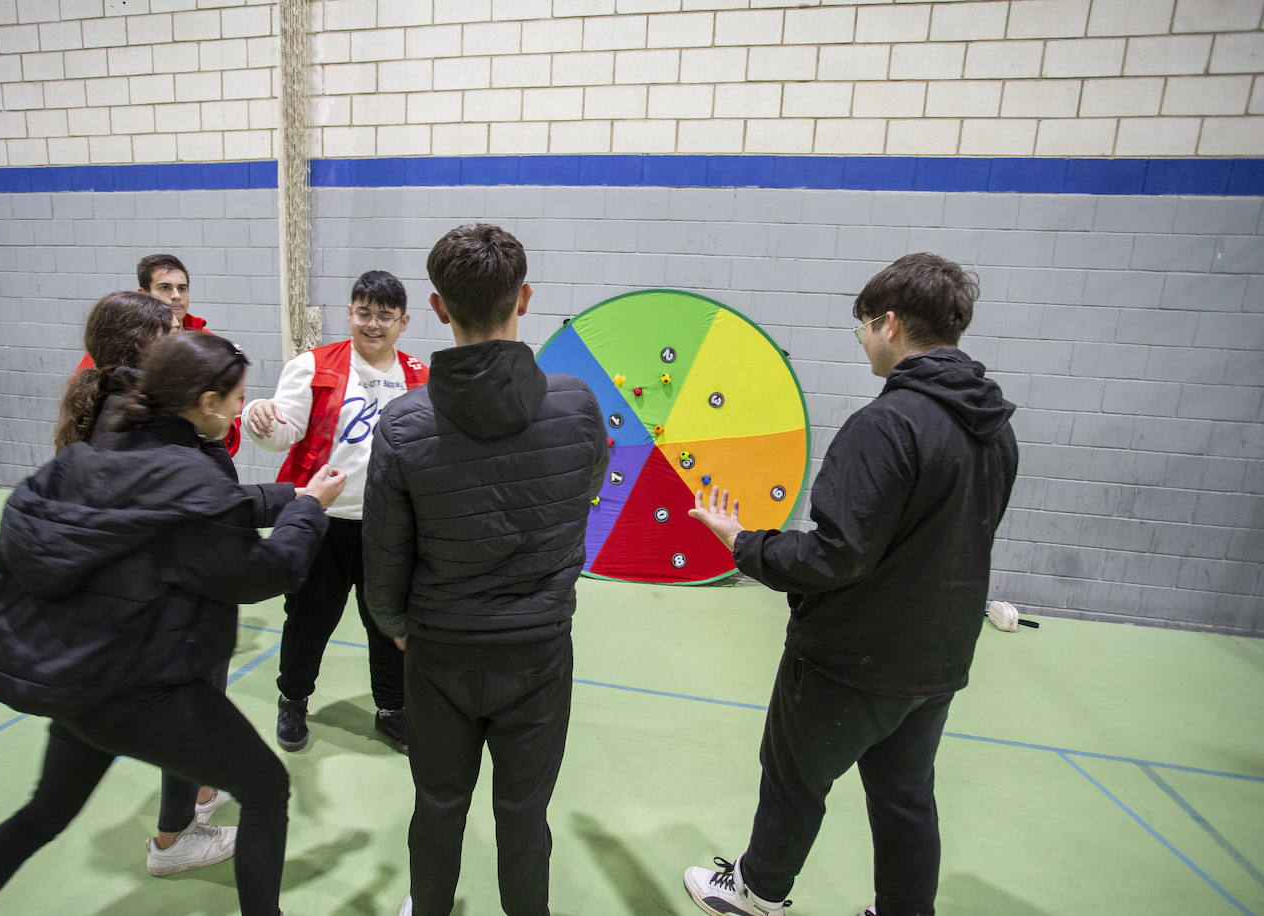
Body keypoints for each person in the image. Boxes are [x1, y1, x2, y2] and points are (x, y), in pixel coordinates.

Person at [0, 331, 347, 916]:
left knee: (41, 817)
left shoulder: (97, 453)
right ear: (206, 402)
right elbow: (260, 572)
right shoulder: (190, 475)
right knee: (266, 789)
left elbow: (193, 511)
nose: (237, 410)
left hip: (81, 678)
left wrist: (290, 496)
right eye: (235, 398)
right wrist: (309, 512)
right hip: (142, 687)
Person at [681, 252, 1019, 916]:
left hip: (852, 659)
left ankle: (756, 894)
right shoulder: (994, 427)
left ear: (889, 323)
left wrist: (745, 543)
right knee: (907, 797)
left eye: (863, 325)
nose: (863, 339)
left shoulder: (886, 425)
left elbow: (837, 556)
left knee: (794, 780)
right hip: (938, 659)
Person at [362, 224, 608, 916]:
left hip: (439, 648)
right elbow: (585, 491)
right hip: (538, 649)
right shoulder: (578, 405)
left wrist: (398, 625)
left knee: (438, 801)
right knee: (525, 810)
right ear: (523, 299)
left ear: (438, 308)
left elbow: (383, 557)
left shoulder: (403, 424)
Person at [56, 291, 246, 876]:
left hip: (155, 587)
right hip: (169, 597)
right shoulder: (145, 421)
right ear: (141, 344)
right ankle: (174, 840)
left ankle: (199, 789)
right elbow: (213, 496)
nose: (179, 337)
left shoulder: (120, 405)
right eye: (169, 330)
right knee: (189, 708)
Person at [242, 270, 428, 753]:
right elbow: (281, 433)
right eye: (363, 313)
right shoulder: (311, 366)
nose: (373, 324)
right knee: (309, 620)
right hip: (321, 522)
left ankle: (393, 710)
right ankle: (292, 700)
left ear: (403, 322)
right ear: (349, 314)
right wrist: (261, 419)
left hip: (389, 528)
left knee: (389, 625)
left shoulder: (420, 377)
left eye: (384, 316)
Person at [75, 254, 241, 455]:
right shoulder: (114, 348)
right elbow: (84, 404)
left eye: (182, 288)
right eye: (165, 288)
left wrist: (213, 431)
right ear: (143, 294)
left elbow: (230, 419)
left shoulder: (208, 345)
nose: (176, 296)